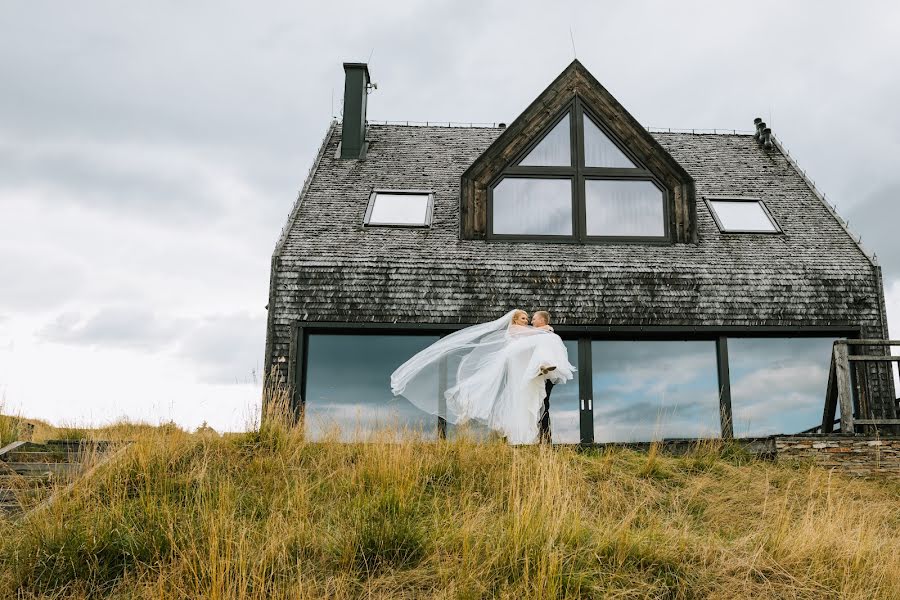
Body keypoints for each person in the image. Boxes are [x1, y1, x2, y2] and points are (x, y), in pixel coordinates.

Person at [390, 309, 575, 444]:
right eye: (524, 318)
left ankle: (541, 368)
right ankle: (541, 368)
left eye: (529, 318)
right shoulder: (514, 329)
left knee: (527, 398)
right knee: (548, 338)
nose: (527, 321)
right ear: (515, 319)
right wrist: (545, 329)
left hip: (523, 367)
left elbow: (531, 340)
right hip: (514, 362)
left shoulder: (528, 333)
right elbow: (529, 335)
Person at [531, 310, 557, 443]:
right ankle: (541, 437)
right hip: (539, 376)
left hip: (544, 377)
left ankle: (544, 438)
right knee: (539, 405)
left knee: (542, 405)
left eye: (534, 319)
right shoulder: (544, 332)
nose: (531, 321)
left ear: (541, 320)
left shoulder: (547, 334)